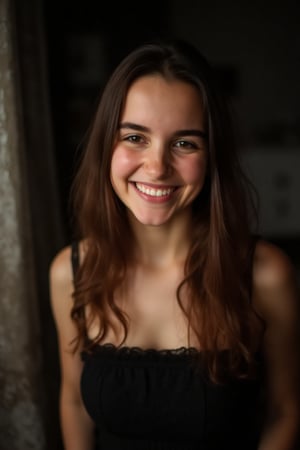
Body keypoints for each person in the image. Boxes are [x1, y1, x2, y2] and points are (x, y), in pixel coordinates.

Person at [49, 38, 300, 450]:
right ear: (105, 145)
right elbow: (74, 402)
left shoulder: (265, 275)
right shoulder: (70, 271)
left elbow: (283, 412)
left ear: (212, 155)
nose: (157, 166)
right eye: (134, 137)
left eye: (185, 143)